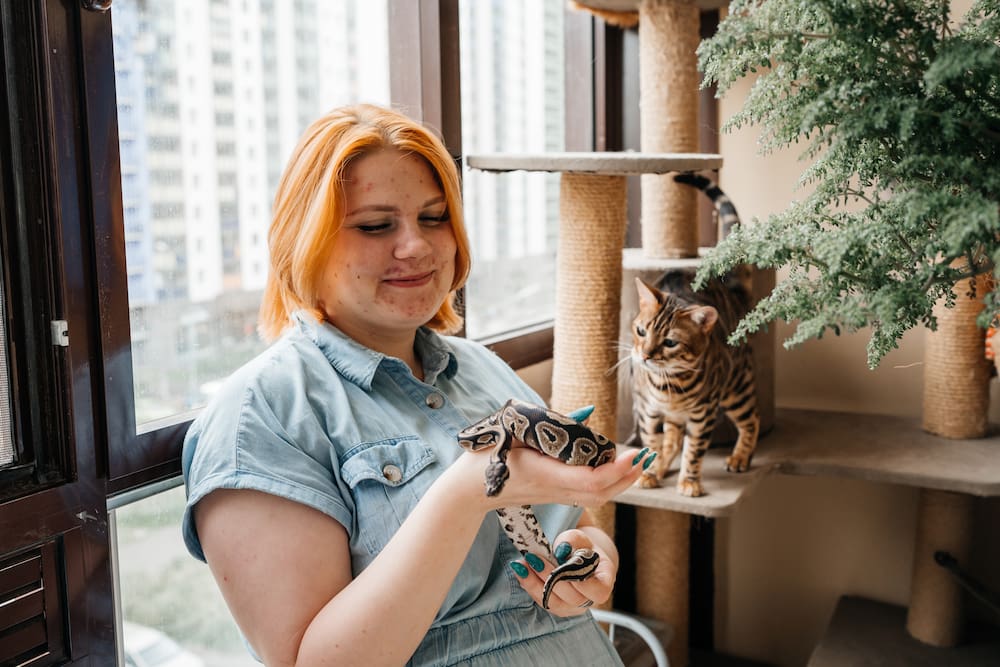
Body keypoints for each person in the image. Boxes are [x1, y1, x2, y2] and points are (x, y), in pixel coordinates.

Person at [181, 103, 654, 666]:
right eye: (376, 226)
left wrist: (592, 554)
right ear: (302, 241)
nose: (418, 246)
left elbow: (570, 525)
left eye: (434, 218)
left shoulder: (481, 367)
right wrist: (467, 492)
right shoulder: (263, 415)